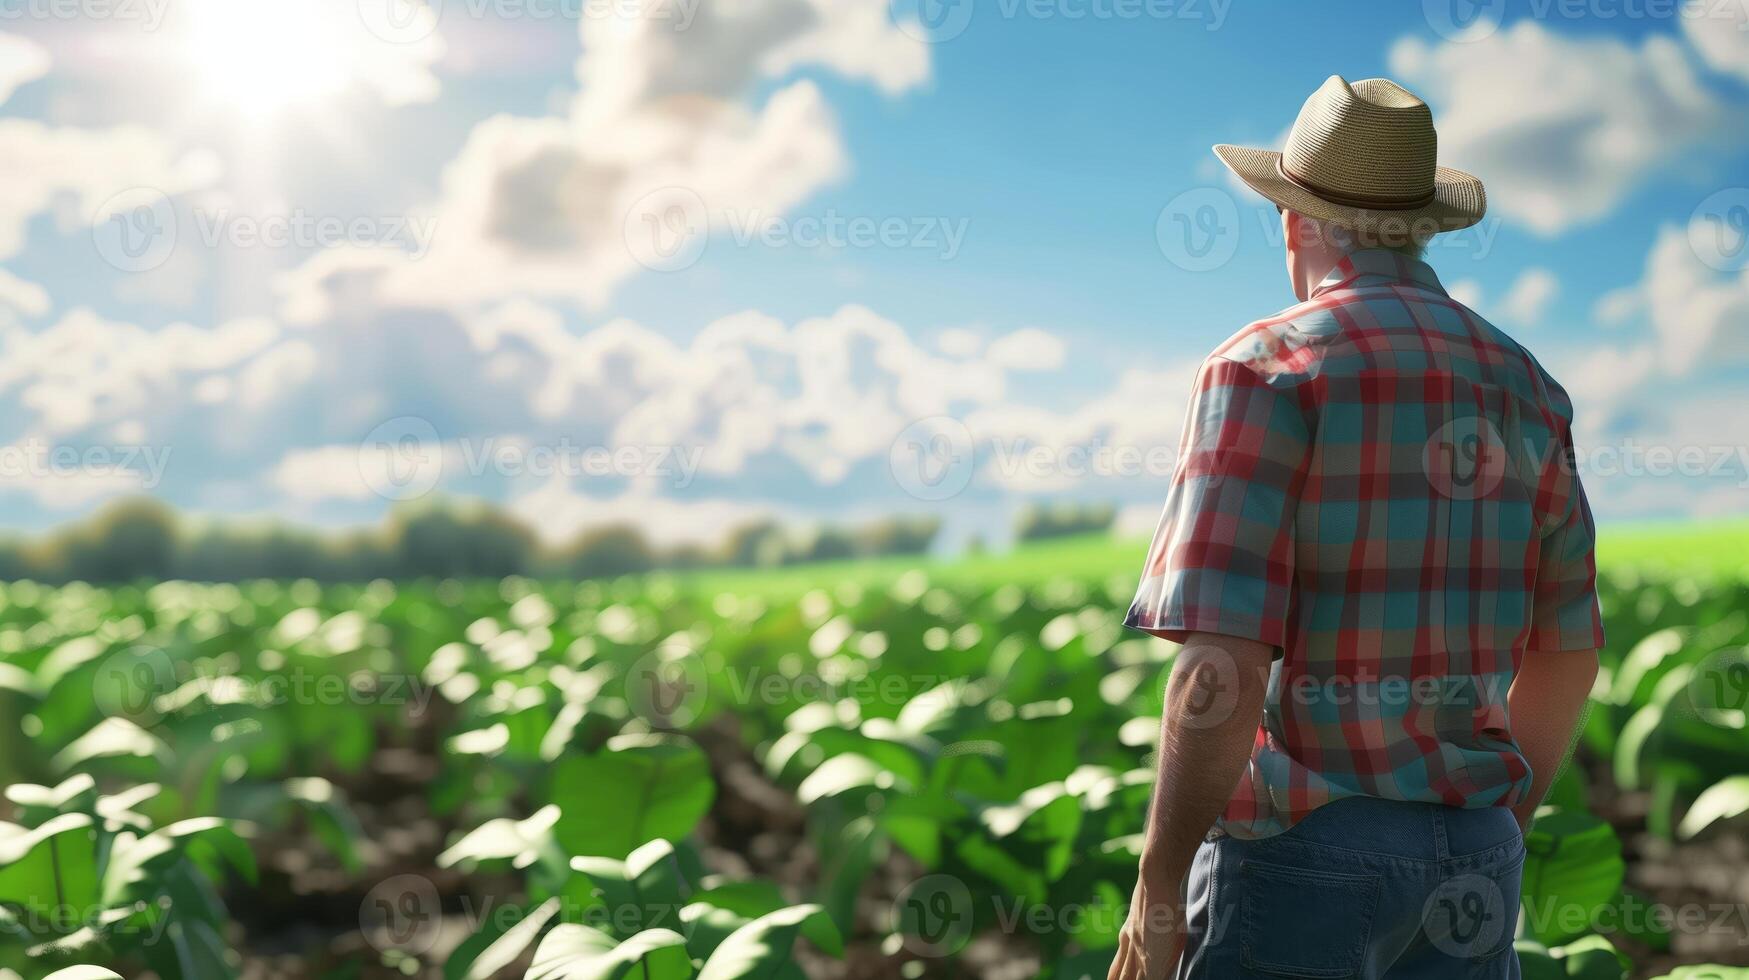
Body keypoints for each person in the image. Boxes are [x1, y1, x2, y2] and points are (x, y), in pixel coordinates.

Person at [1108, 76, 1604, 980]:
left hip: (1305, 856)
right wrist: (1490, 828)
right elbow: (1567, 652)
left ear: (1295, 221)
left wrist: (1157, 886)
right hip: (1478, 856)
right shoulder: (1528, 385)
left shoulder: (1263, 368)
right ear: (1420, 226)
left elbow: (1219, 665)